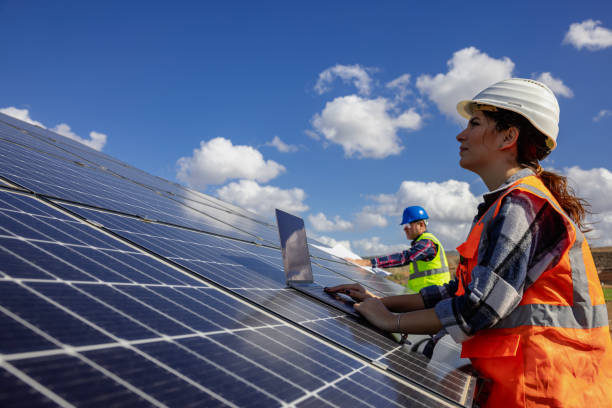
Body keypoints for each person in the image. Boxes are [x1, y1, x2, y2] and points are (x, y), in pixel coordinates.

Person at [326, 78, 612, 407]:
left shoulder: (522, 206)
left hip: (546, 390)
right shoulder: (502, 206)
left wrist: (390, 321)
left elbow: (477, 309)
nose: (461, 135)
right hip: (526, 383)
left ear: (509, 136)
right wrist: (382, 301)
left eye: (474, 123)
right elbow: (457, 293)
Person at [347, 205, 451, 292]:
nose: (405, 229)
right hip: (422, 296)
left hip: (433, 297)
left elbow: (405, 257)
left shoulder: (427, 243)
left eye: (408, 225)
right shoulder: (422, 242)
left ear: (421, 225)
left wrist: (368, 263)